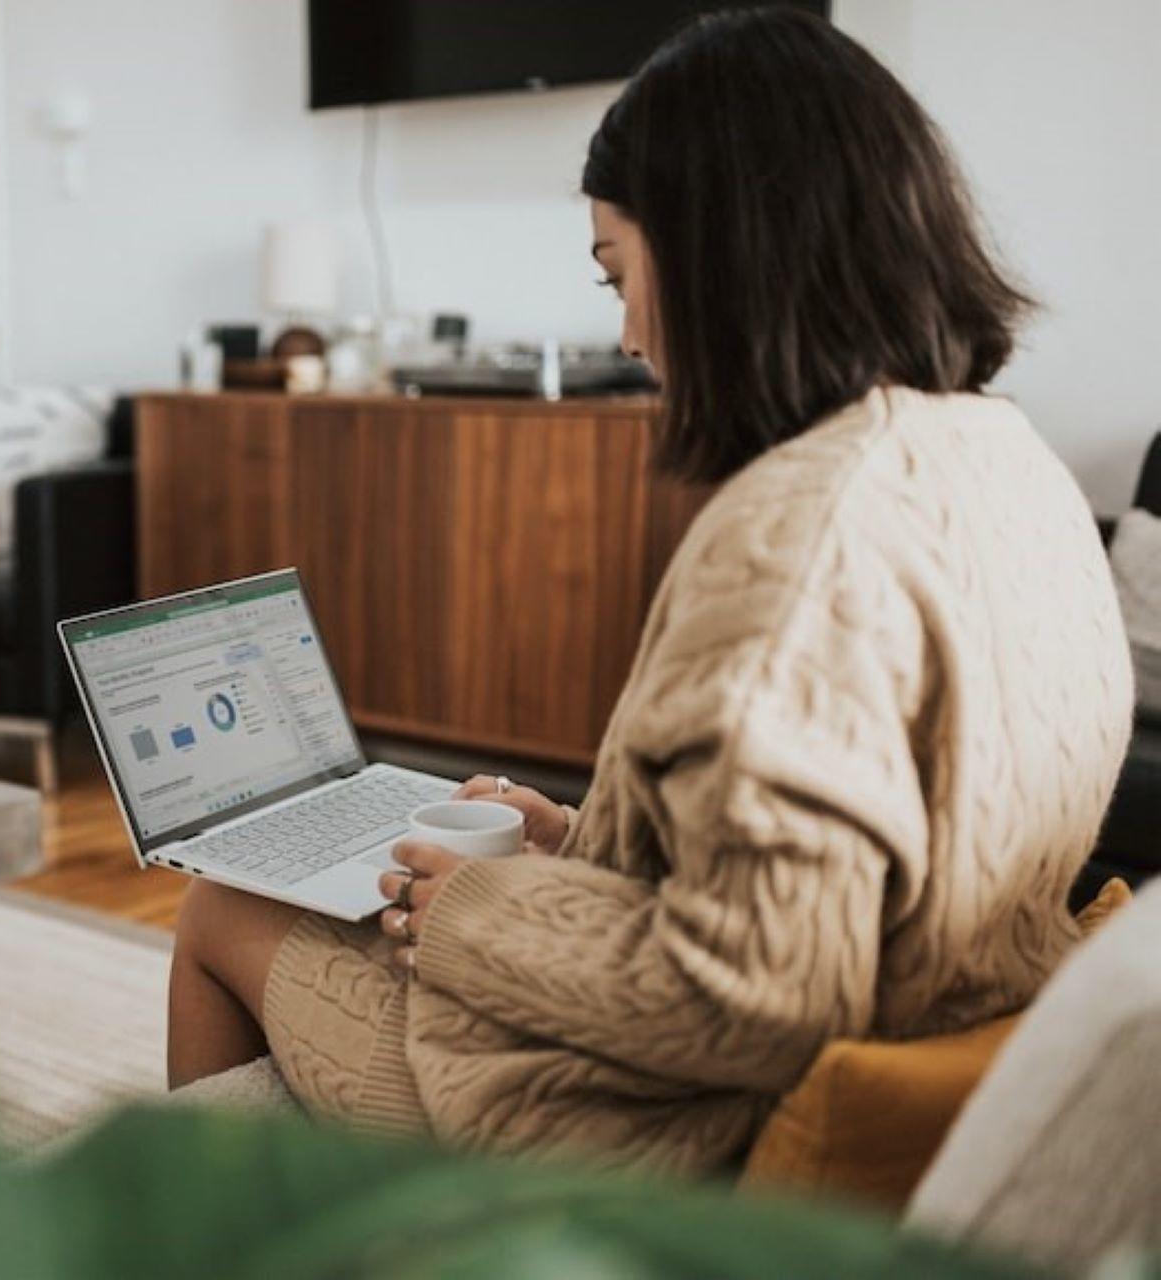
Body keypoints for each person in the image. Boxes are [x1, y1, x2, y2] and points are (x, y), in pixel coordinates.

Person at [166, 7, 1133, 1173]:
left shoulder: (800, 535)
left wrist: (479, 905)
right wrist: (572, 843)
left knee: (219, 903)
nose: (625, 330)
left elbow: (758, 989)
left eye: (621, 272)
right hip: (944, 1034)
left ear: (725, 253)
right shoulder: (1007, 459)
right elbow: (830, 858)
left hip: (659, 1127)